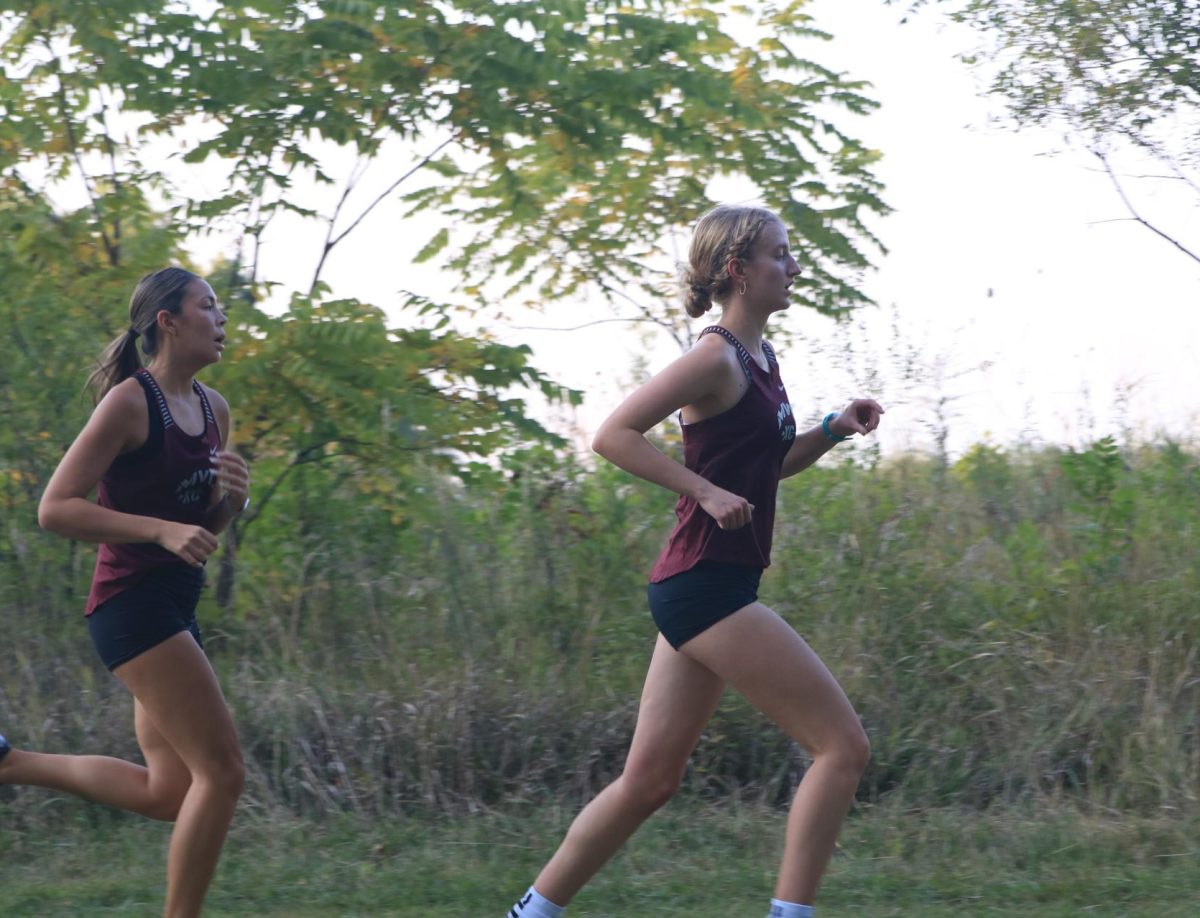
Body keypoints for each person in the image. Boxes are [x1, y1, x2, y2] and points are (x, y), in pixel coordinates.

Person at [506, 205, 884, 918]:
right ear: (738, 270)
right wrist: (703, 490)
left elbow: (769, 466)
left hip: (706, 585)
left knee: (648, 782)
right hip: (705, 587)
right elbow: (614, 435)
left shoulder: (761, 362)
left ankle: (530, 913)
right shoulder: (713, 357)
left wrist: (833, 429)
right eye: (779, 254)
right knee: (842, 747)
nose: (794, 266)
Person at [0, 267, 249, 918]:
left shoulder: (214, 408)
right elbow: (55, 509)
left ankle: (8, 764)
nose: (222, 319)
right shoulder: (132, 403)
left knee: (173, 793)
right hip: (130, 607)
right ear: (168, 321)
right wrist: (161, 529)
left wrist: (231, 505)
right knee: (222, 774)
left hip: (174, 606)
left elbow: (198, 534)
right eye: (209, 306)